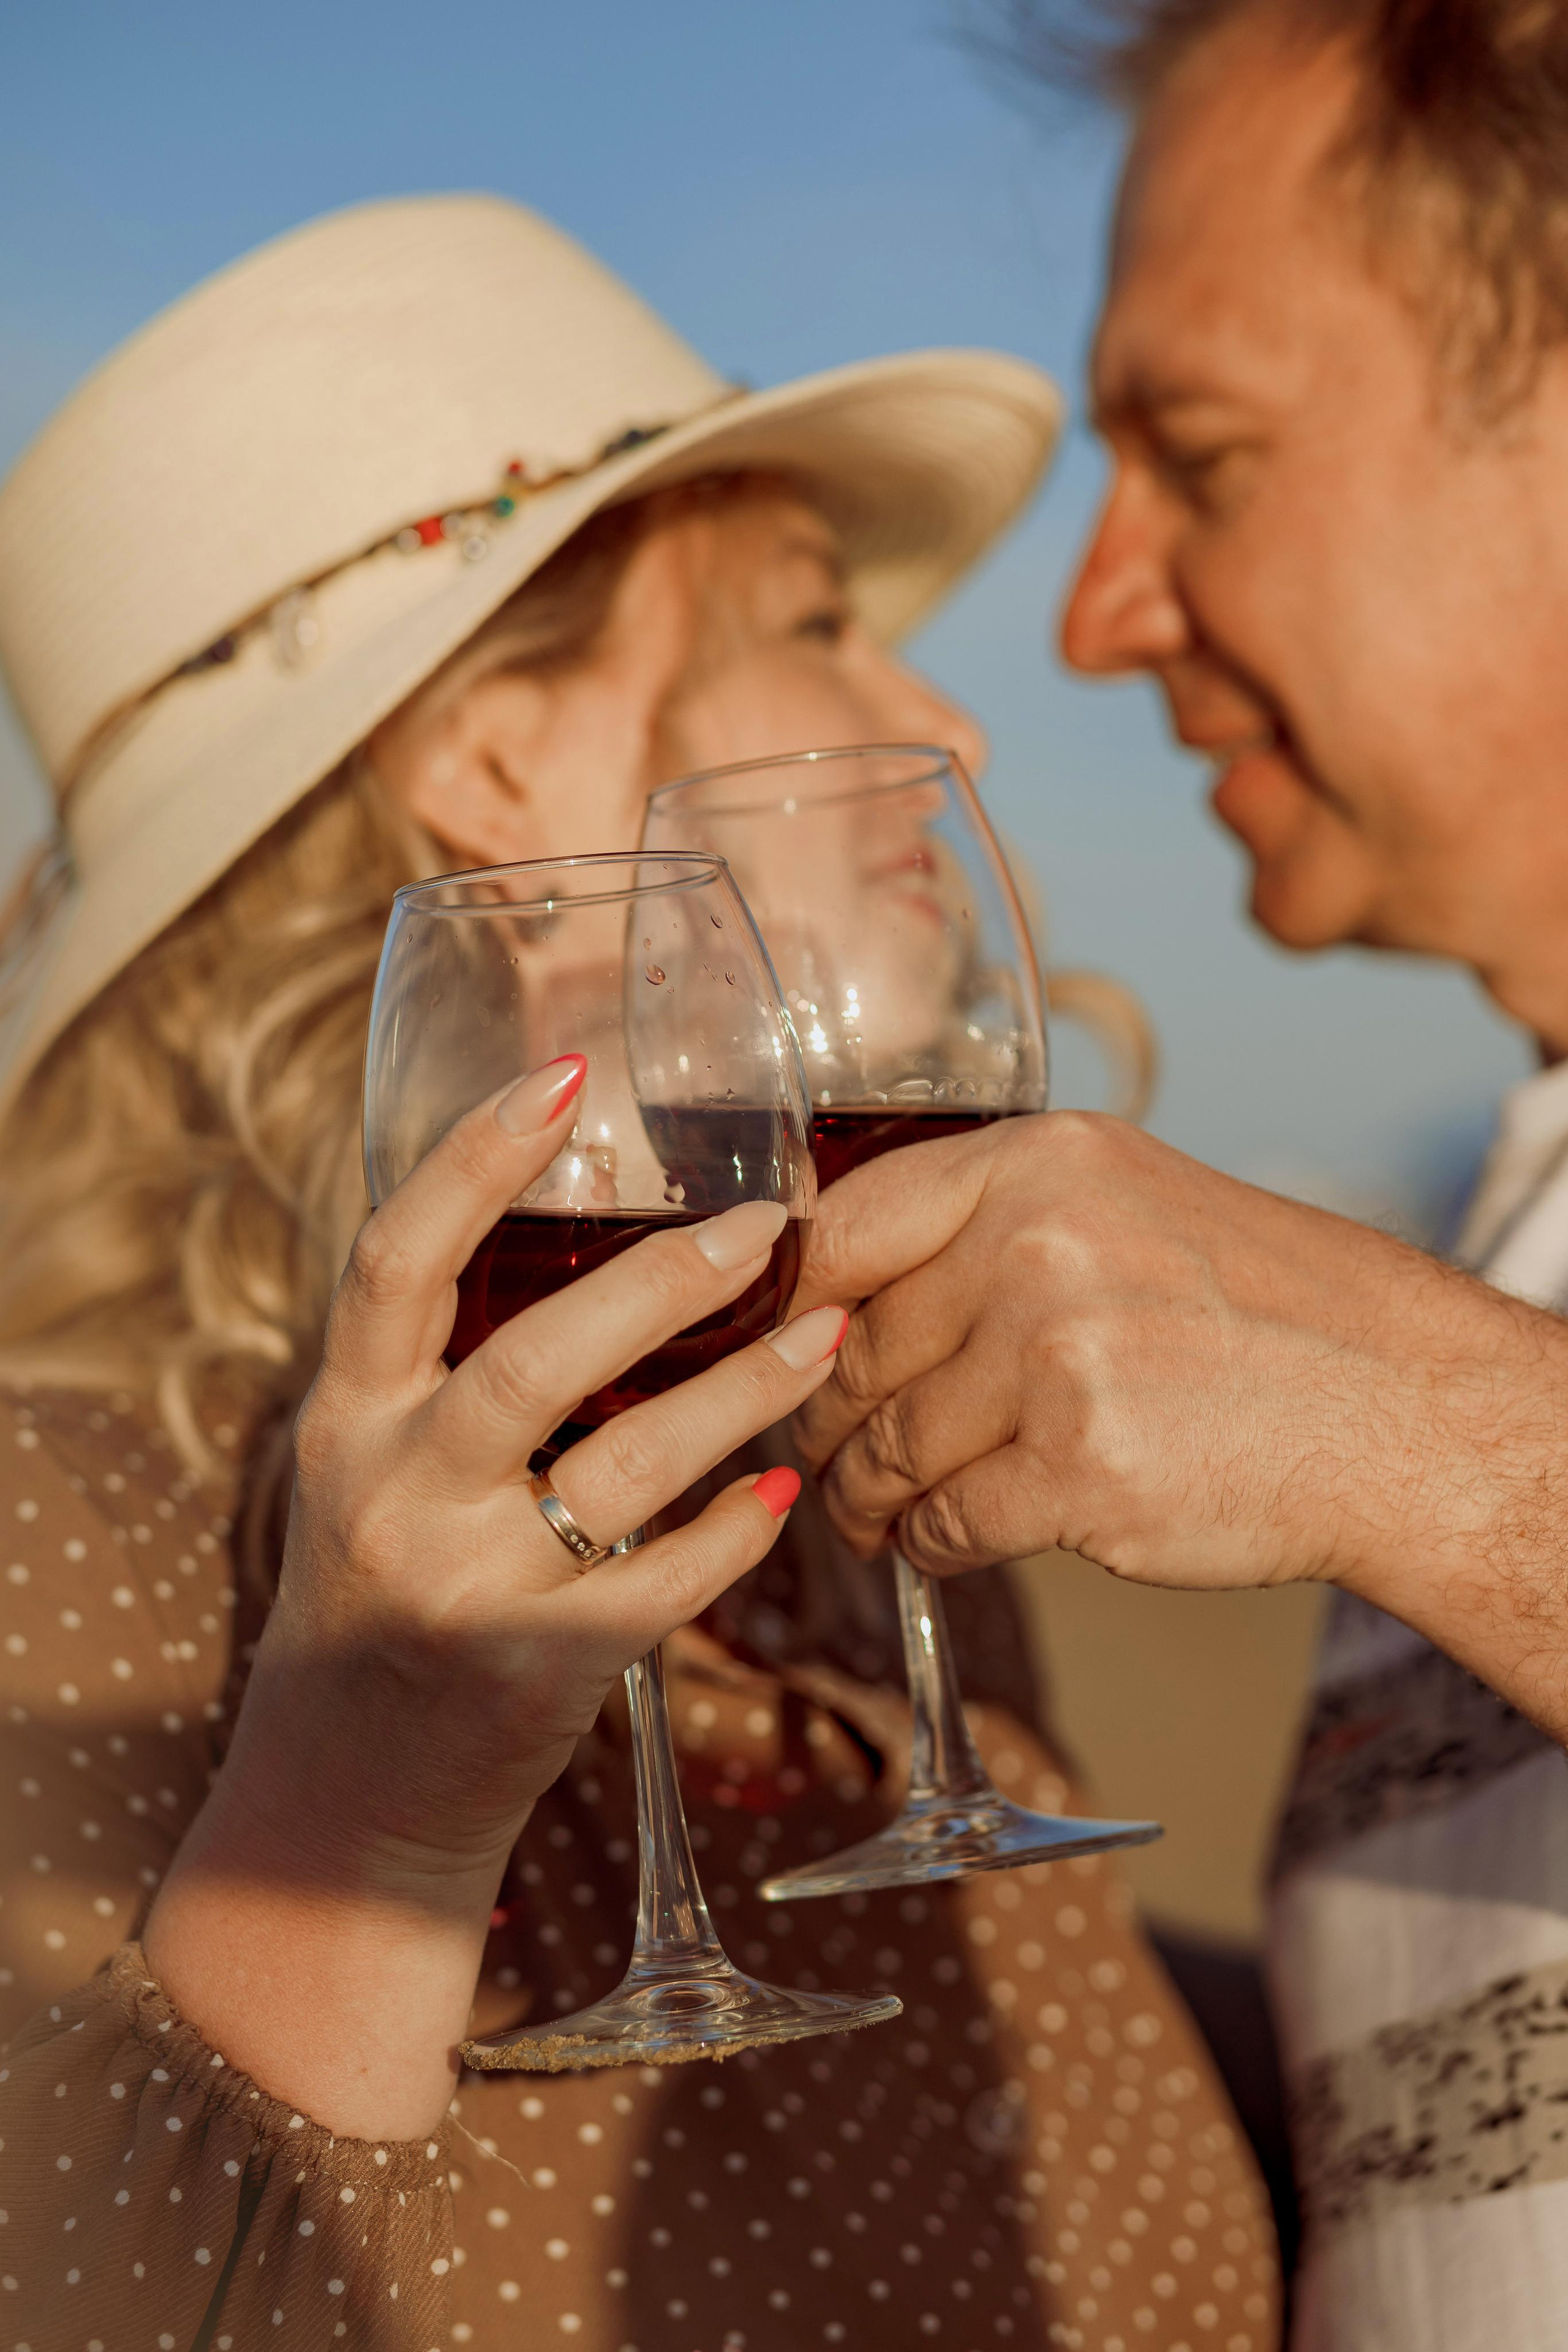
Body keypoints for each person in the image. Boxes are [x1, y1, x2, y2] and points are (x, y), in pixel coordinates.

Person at [0, 197, 1278, 2349]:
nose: (943, 725)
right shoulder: (70, 1545)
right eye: (812, 619)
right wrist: (361, 1798)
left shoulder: (826, 1463)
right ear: (500, 765)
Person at [790, 2, 1568, 2345]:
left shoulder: (1436, 1355)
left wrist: (1415, 1429)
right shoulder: (1517, 1209)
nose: (1092, 611)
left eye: (1201, 453)